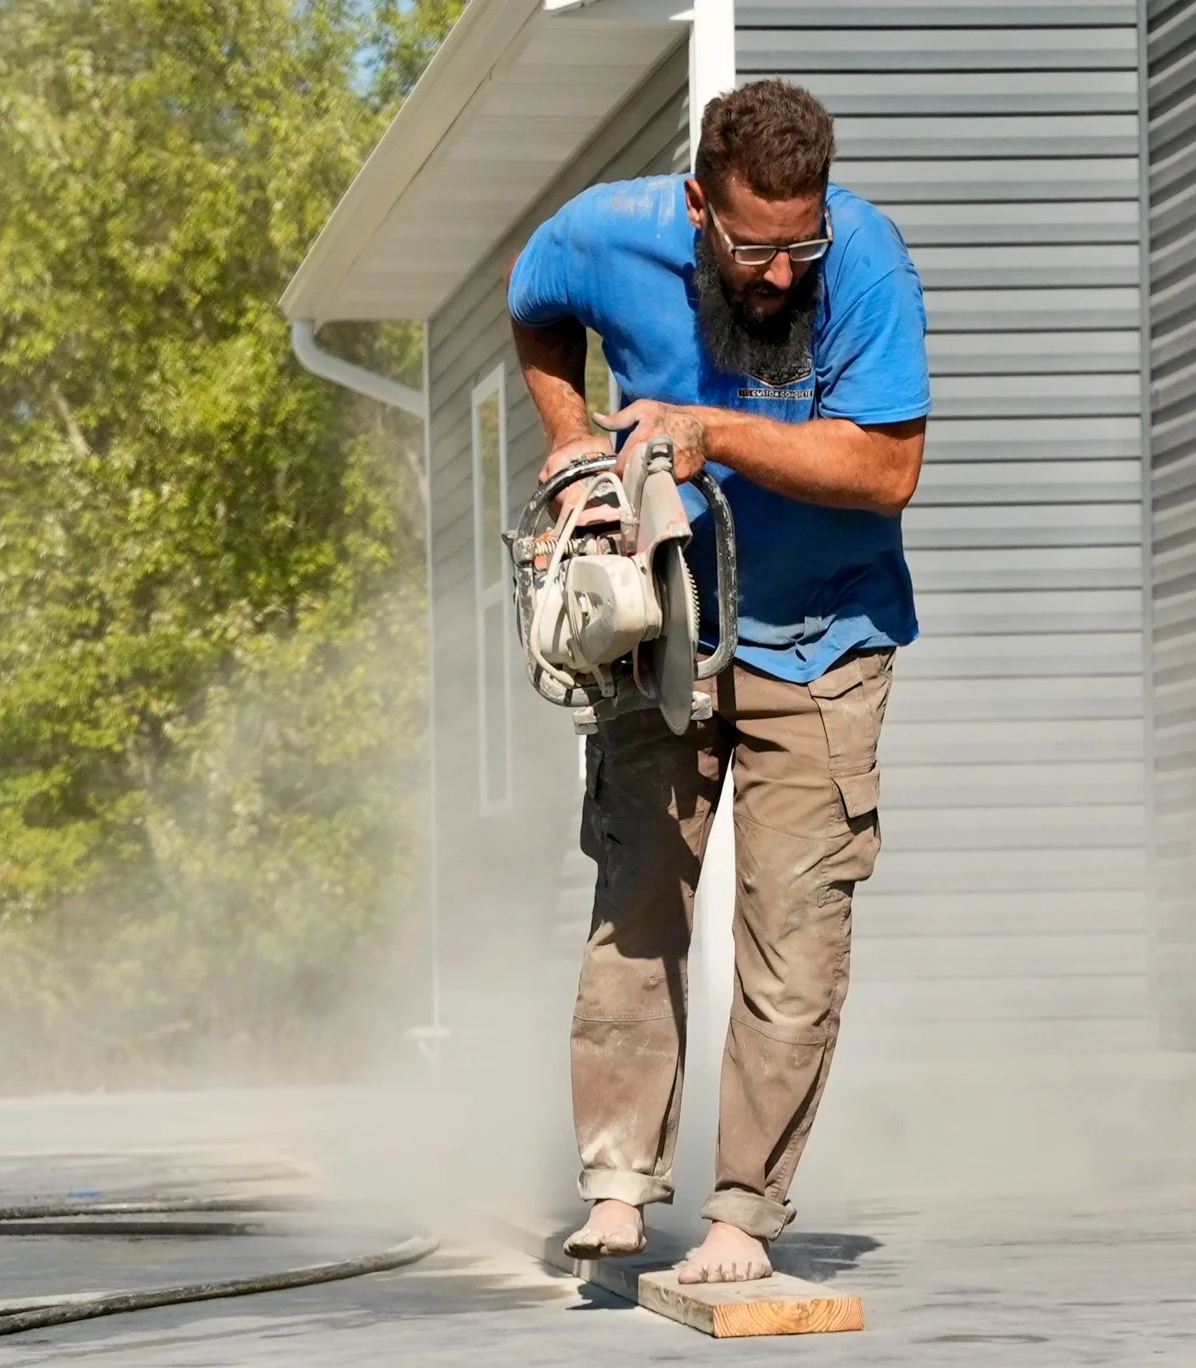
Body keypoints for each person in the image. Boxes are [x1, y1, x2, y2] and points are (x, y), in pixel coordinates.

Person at [505, 78, 928, 1285]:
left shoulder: (868, 265)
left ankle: (741, 1218)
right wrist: (567, 430)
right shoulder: (602, 233)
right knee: (638, 899)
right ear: (697, 204)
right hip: (665, 629)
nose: (781, 273)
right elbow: (531, 305)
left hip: (827, 640)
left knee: (793, 938)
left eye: (801, 244)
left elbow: (887, 467)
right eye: (753, 246)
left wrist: (713, 431)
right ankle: (616, 1190)